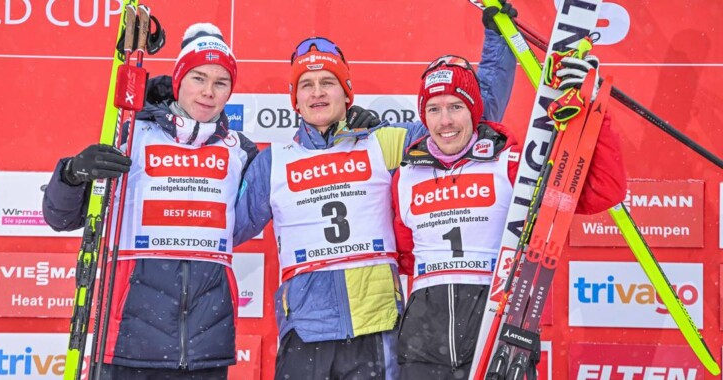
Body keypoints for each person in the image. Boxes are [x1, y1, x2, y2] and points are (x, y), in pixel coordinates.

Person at [231, 11, 518, 379]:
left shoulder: (382, 141)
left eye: (328, 82)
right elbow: (222, 228)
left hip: (376, 329)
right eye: (307, 84)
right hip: (305, 331)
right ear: (295, 99)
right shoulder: (273, 162)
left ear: (346, 91)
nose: (318, 92)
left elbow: (467, 118)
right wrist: (209, 144)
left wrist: (499, 40)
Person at [390, 53, 626, 378]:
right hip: (423, 350)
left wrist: (592, 107)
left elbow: (603, 190)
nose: (444, 121)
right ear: (423, 115)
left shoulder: (513, 163)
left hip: (500, 338)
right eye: (434, 109)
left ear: (474, 111)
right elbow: (405, 257)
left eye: (455, 107)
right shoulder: (406, 175)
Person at [42, 23, 258, 379]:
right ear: (178, 80)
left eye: (221, 82)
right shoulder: (130, 133)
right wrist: (72, 175)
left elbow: (269, 205)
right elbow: (61, 217)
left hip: (206, 348)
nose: (208, 92)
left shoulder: (241, 151)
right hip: (128, 341)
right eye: (197, 78)